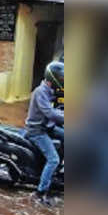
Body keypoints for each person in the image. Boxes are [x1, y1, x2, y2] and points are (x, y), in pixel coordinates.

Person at [25, 61, 64, 206]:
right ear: (54, 79)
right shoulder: (40, 92)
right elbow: (50, 113)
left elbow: (58, 110)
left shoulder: (51, 91)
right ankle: (40, 192)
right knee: (53, 159)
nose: (63, 82)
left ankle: (58, 172)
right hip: (37, 131)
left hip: (48, 127)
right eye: (61, 79)